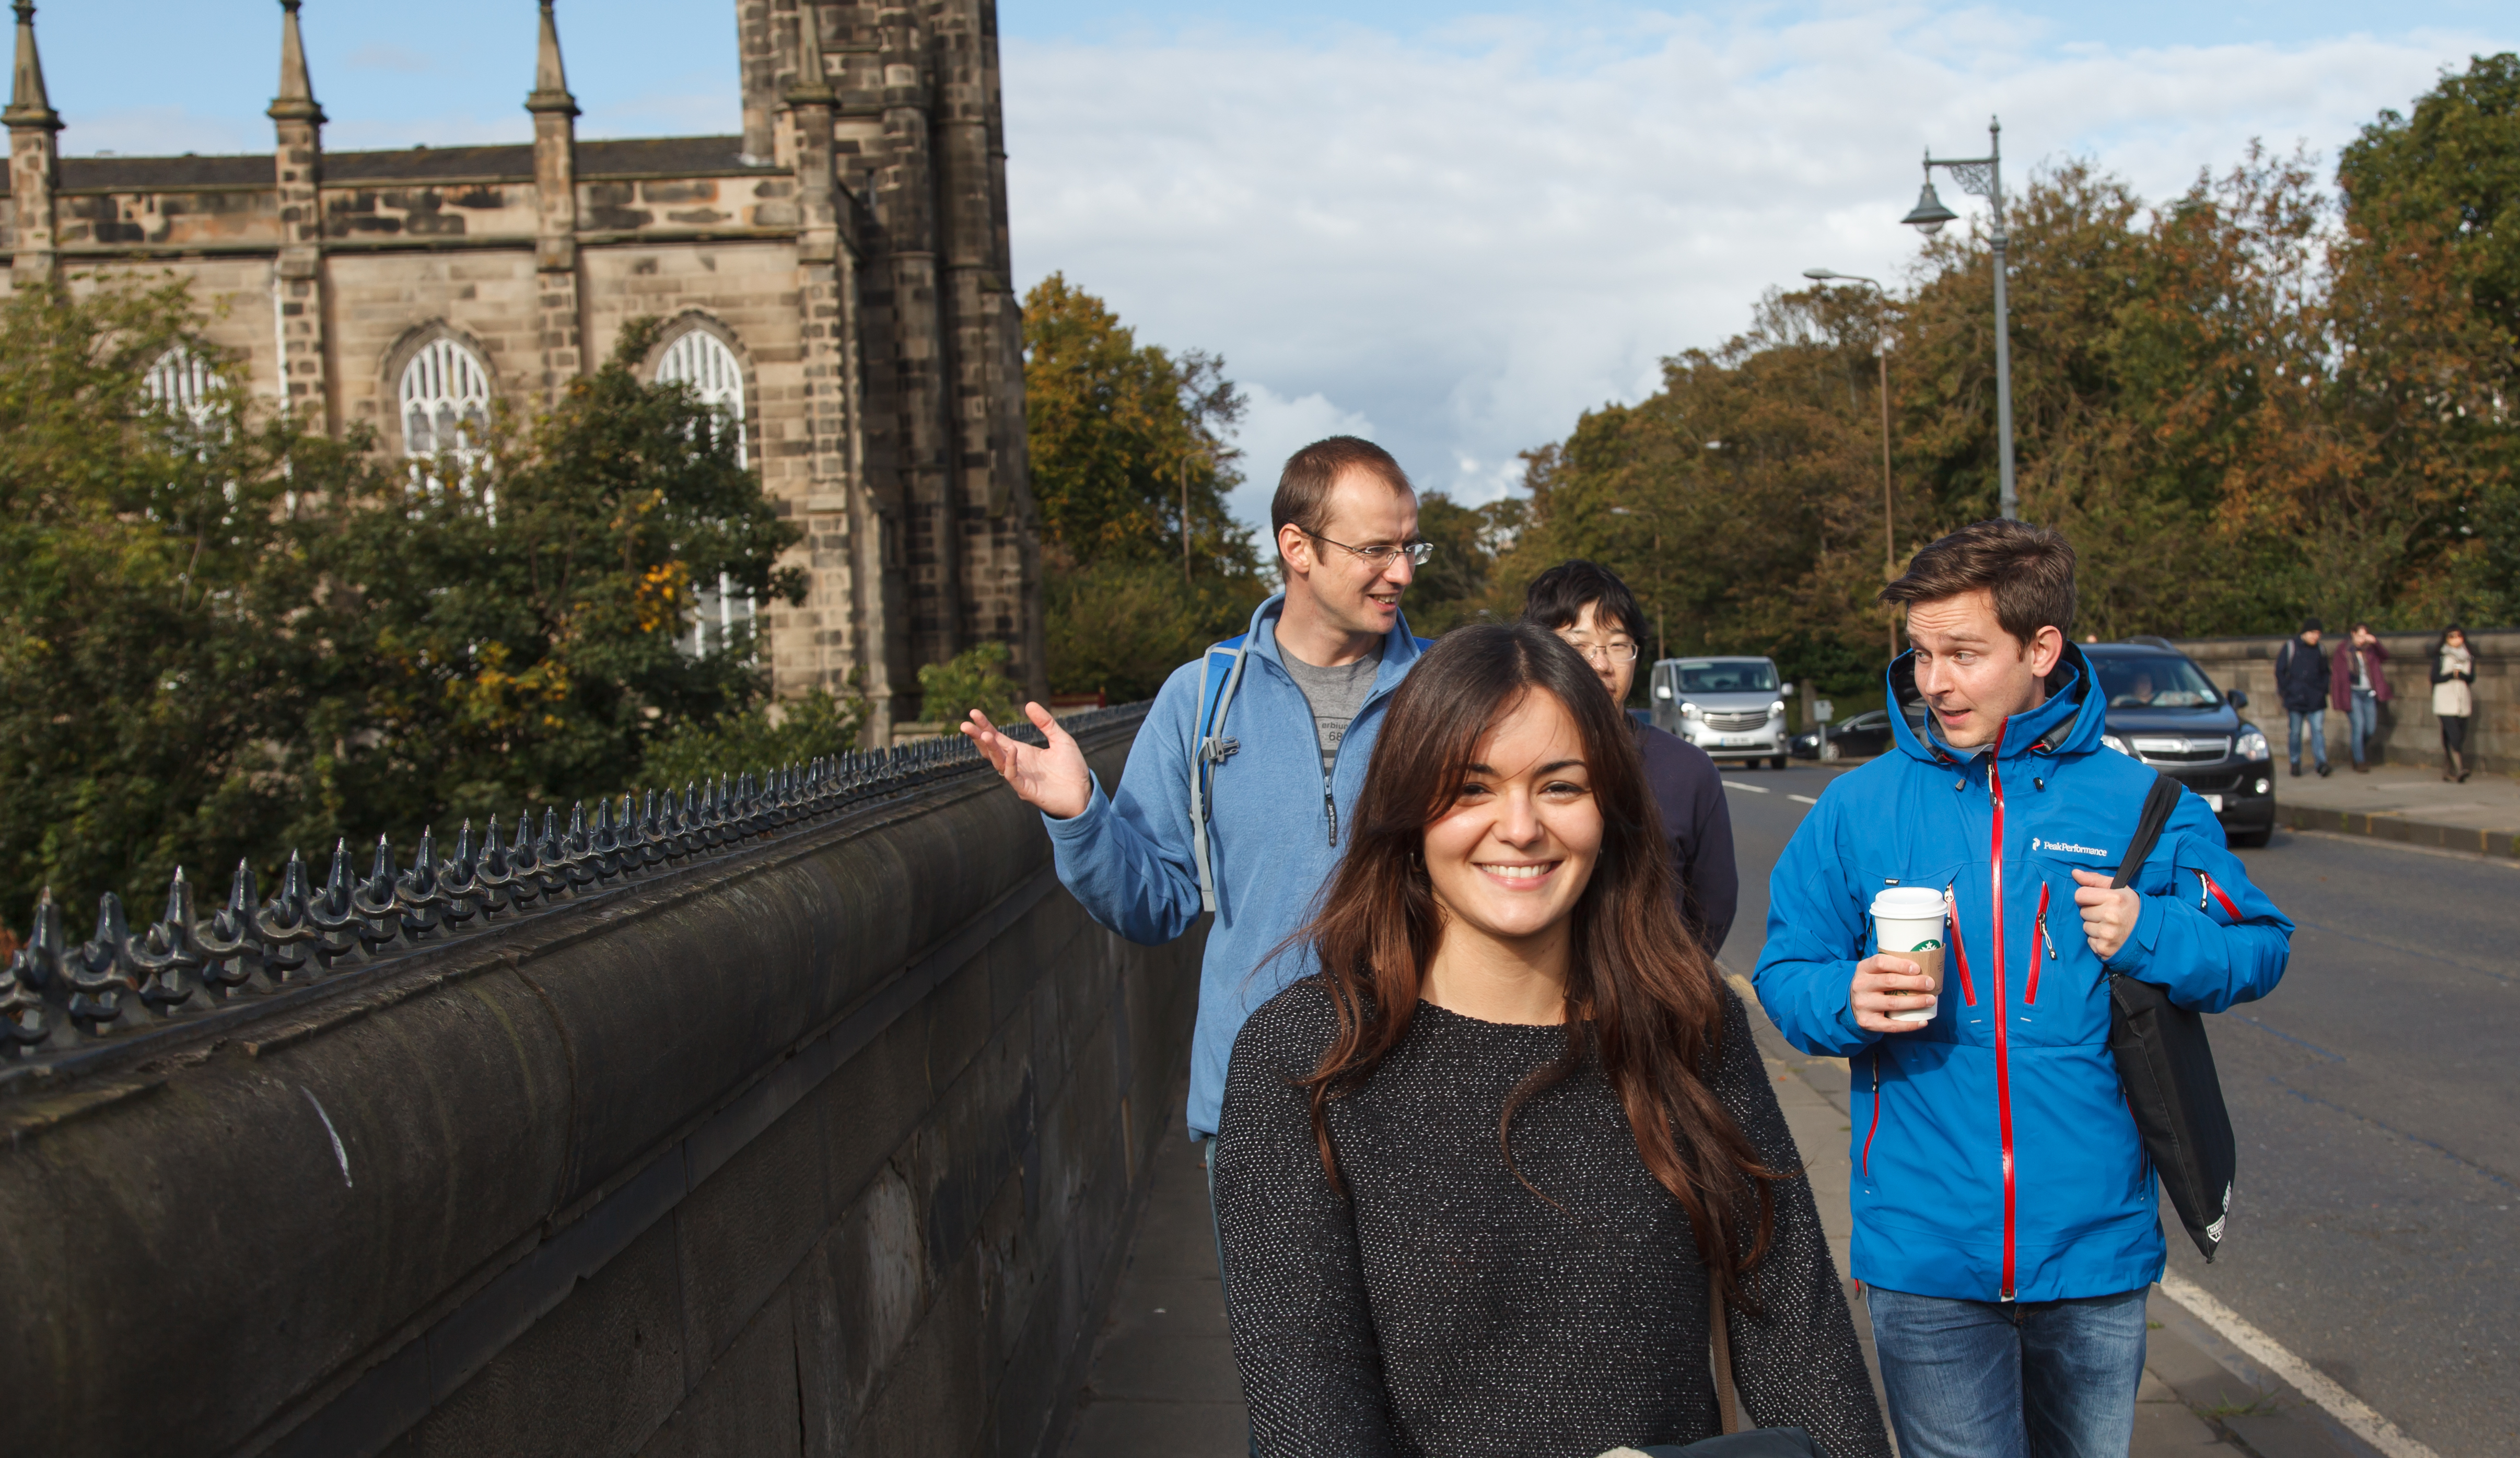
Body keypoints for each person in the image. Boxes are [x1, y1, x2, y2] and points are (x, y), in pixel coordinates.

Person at [1213, 623, 1891, 1458]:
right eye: (1471, 788)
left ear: (1609, 805)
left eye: (1560, 786)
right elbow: (1308, 1423)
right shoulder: (1309, 1057)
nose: (1521, 826)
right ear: (1407, 810)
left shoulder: (1687, 1023)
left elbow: (1805, 1346)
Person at [1753, 520, 2292, 1458]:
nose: (1932, 682)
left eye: (1962, 654)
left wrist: (2149, 932)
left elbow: (2258, 946)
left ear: (2039, 648)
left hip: (2092, 1251)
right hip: (1923, 1254)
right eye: (1920, 653)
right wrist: (1845, 996)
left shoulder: (2139, 805)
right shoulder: (1858, 805)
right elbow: (1783, 969)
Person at [959, 434, 1429, 1148]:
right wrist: (1081, 814)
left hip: (1415, 1103)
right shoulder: (1202, 697)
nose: (1400, 571)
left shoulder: (1448, 696)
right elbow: (1155, 903)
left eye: (1410, 547)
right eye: (1375, 550)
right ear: (1299, 548)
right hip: (1253, 1110)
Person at [1522, 559, 1739, 953]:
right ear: (1537, 651)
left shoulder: (1687, 769)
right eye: (1579, 645)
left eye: (1618, 645)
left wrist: (1666, 983)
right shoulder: (1504, 758)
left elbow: (1713, 905)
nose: (1602, 664)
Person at [2330, 622, 2391, 774]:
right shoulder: (2344, 650)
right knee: (2359, 726)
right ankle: (2359, 761)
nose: (2362, 640)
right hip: (2352, 693)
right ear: (2353, 634)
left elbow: (2385, 657)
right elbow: (2338, 676)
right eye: (2359, 636)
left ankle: (2357, 750)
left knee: (2370, 728)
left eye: (2365, 636)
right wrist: (2338, 698)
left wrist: (2376, 643)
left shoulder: (2370, 650)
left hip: (2369, 693)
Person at [2274, 618, 2331, 777]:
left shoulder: (2320, 649)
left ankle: (2321, 763)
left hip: (2316, 697)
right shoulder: (2291, 647)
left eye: (2318, 634)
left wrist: (2323, 689)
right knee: (2295, 732)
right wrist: (2288, 690)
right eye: (2313, 633)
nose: (2316, 637)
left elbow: (2325, 672)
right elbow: (2280, 671)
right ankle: (2295, 761)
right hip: (2296, 697)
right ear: (2305, 633)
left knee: (2318, 731)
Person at [2431, 625, 2475, 783]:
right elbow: (2434, 677)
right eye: (2452, 636)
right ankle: (2460, 769)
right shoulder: (2441, 656)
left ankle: (2448, 769)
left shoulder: (2468, 656)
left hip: (2462, 699)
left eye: (2459, 636)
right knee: (2454, 734)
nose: (2456, 639)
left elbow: (2472, 678)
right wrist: (2451, 675)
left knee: (2458, 734)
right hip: (2445, 698)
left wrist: (2462, 675)